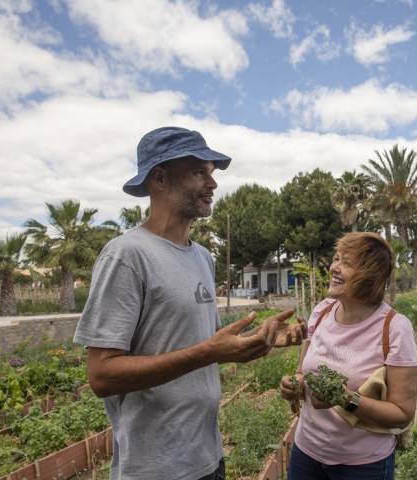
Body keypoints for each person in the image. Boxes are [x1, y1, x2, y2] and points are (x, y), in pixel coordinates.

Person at [74, 126, 304, 480]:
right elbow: (101, 375)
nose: (212, 184)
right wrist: (207, 353)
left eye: (211, 174)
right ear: (160, 178)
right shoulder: (126, 255)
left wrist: (264, 338)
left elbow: (204, 343)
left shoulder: (202, 258)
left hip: (208, 457)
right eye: (199, 172)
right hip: (156, 468)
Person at [280, 232, 417, 480]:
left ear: (370, 276)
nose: (334, 267)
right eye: (336, 259)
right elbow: (303, 373)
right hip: (306, 452)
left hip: (362, 465)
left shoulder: (395, 328)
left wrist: (345, 399)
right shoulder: (322, 311)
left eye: (346, 263)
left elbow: (402, 413)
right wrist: (295, 384)